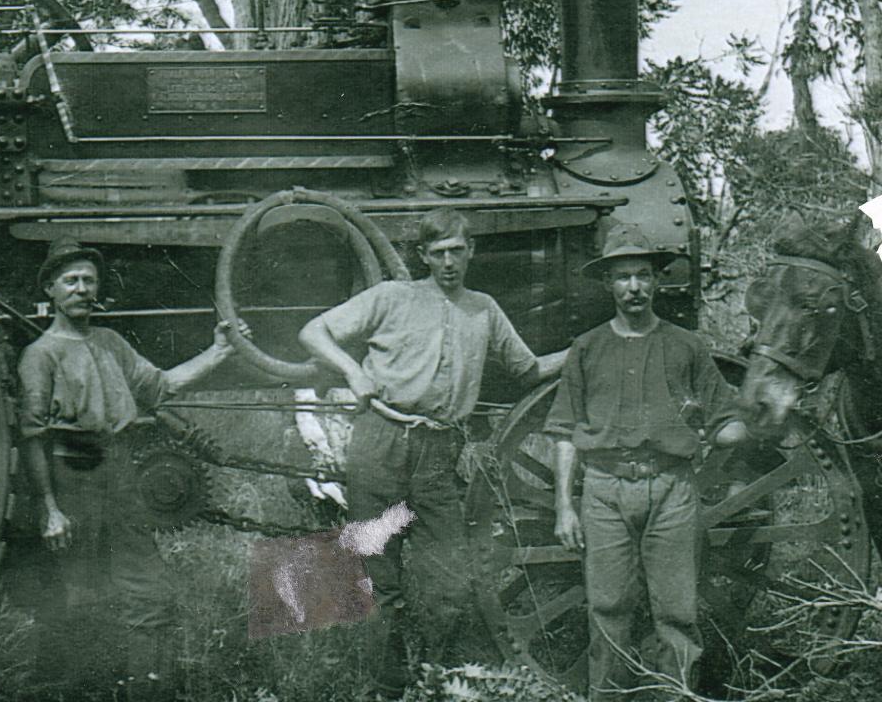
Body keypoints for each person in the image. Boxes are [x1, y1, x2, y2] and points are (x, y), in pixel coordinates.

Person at [296, 208, 567, 697]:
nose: (448, 262)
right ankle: (391, 684)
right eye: (438, 253)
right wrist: (353, 373)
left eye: (457, 251)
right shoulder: (390, 297)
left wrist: (585, 349)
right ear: (423, 256)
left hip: (440, 454)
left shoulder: (484, 310)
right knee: (379, 573)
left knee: (454, 578)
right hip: (380, 444)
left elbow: (528, 370)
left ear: (471, 252)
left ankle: (439, 678)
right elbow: (313, 333)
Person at [17, 239, 235, 699]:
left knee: (149, 594)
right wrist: (50, 509)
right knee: (80, 599)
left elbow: (161, 386)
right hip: (70, 476)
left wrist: (219, 353)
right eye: (70, 281)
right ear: (50, 290)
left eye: (88, 280)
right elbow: (33, 438)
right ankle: (80, 690)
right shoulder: (41, 355)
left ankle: (147, 692)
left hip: (120, 475)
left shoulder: (110, 344)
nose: (81, 289)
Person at [546, 225, 747, 702]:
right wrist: (563, 507)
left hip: (672, 491)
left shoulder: (687, 347)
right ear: (608, 284)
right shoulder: (587, 348)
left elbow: (725, 423)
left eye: (642, 276)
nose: (633, 287)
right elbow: (563, 433)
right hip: (604, 493)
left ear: (657, 281)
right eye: (622, 277)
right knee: (609, 609)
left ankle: (677, 696)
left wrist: (745, 425)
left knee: (676, 613)